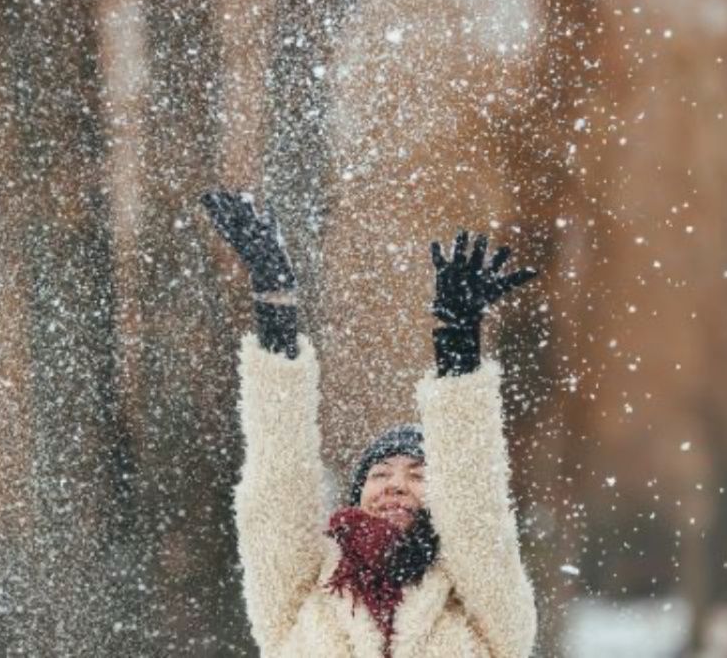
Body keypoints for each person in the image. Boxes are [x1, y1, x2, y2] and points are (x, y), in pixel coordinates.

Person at [202, 191, 538, 657]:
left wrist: (458, 352)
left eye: (418, 475)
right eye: (379, 474)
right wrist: (275, 308)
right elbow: (278, 489)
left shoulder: (480, 606)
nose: (394, 485)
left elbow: (475, 506)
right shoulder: (304, 592)